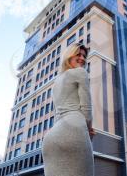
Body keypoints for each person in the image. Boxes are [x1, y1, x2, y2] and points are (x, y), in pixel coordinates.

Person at [42, 42, 95, 176]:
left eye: (84, 56)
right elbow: (87, 109)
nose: (82, 58)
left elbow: (57, 113)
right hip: (74, 130)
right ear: (69, 56)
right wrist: (88, 131)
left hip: (51, 138)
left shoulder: (56, 82)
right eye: (78, 54)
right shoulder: (80, 73)